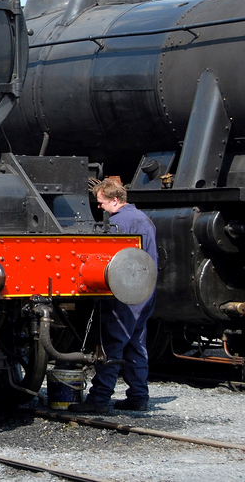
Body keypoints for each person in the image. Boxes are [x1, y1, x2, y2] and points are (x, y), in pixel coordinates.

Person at [68, 177, 158, 414]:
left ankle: (99, 399)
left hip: (126, 294)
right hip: (145, 291)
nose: (99, 207)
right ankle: (139, 396)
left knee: (112, 344)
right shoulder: (144, 219)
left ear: (115, 200)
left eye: (101, 203)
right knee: (136, 343)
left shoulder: (120, 222)